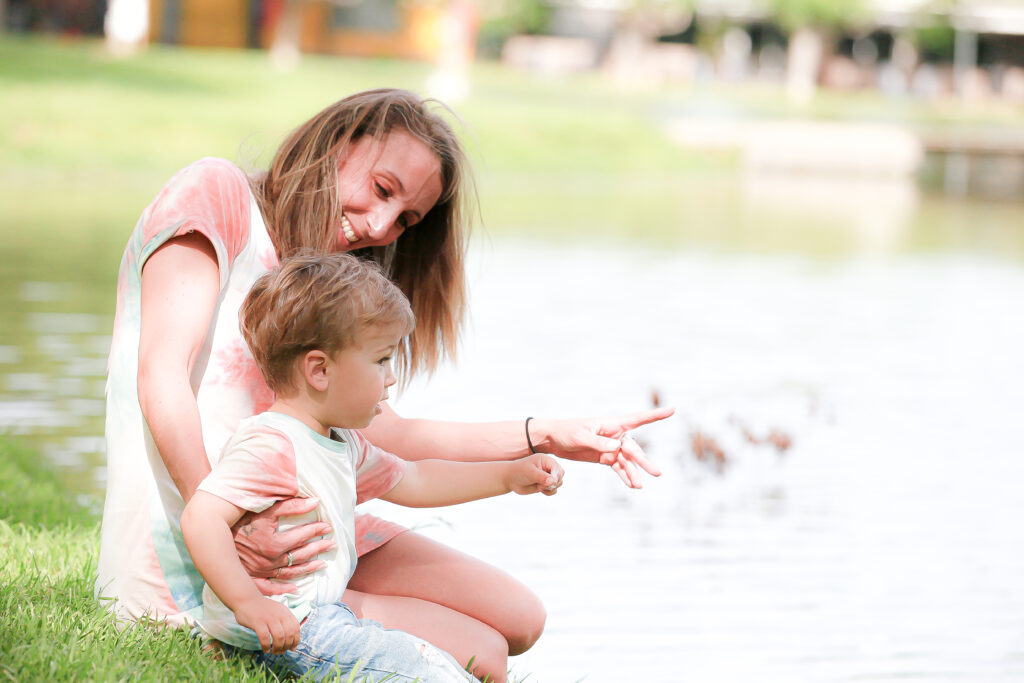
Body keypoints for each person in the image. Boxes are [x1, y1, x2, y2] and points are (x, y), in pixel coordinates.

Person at [96, 88, 672, 672]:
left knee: (519, 619)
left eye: (406, 219)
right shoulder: (216, 193)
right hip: (207, 547)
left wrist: (544, 435)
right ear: (338, 143)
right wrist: (233, 530)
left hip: (303, 532)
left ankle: (344, 606)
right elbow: (162, 376)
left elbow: (395, 439)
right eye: (382, 189)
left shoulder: (315, 277)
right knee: (487, 653)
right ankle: (328, 617)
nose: (380, 226)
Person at [182, 252, 564, 683]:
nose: (391, 378)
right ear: (320, 370)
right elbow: (201, 516)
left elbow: (414, 479)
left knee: (452, 664)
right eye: (381, 360)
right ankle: (234, 649)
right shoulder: (273, 444)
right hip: (293, 628)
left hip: (322, 612)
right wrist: (248, 603)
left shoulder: (340, 441)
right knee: (430, 671)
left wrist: (508, 476)